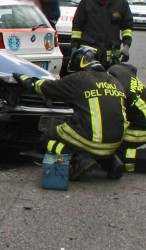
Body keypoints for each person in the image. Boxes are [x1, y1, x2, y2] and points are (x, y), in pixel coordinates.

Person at [18, 48, 127, 179]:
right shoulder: (115, 81)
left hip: (92, 139)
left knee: (48, 137)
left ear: (80, 64)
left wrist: (25, 80)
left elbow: (47, 88)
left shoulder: (80, 79)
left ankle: (79, 159)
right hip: (115, 142)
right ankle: (112, 163)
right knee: (97, 139)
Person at [107, 63, 146, 175]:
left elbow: (116, 120)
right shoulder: (117, 69)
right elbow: (133, 69)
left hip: (143, 128)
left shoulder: (117, 90)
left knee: (104, 154)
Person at [70, 0, 133, 67]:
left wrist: (126, 47)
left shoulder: (121, 3)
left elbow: (127, 27)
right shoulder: (87, 1)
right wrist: (74, 48)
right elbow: (77, 26)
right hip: (88, 54)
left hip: (111, 55)